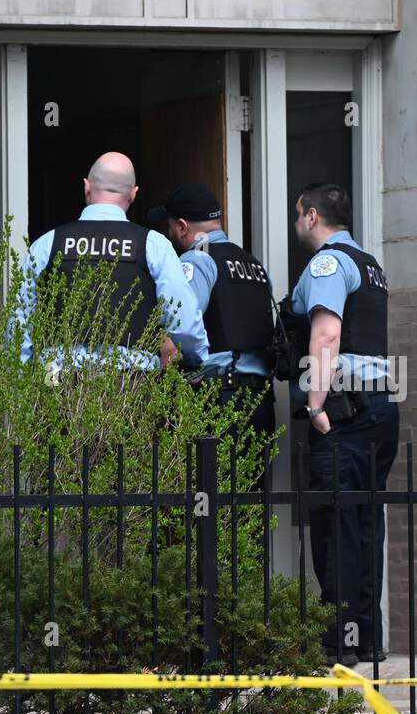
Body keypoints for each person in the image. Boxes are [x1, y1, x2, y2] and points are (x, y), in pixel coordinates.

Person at [290, 183, 398, 667]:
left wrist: (315, 406)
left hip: (345, 411)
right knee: (365, 522)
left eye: (298, 216)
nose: (296, 225)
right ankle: (367, 636)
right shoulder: (371, 265)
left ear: (312, 216)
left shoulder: (328, 263)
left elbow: (327, 332)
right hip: (379, 409)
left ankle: (340, 643)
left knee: (336, 525)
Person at [16, 152, 208, 372]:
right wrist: (199, 360)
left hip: (58, 382)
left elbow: (19, 324)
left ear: (86, 187)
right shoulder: (154, 246)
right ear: (134, 194)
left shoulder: (47, 244)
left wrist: (22, 381)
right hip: (130, 388)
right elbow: (183, 322)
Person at [149, 183, 276, 444]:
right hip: (259, 401)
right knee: (251, 484)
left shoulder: (197, 260)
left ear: (183, 227)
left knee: (206, 483)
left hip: (218, 398)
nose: (170, 233)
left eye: (170, 226)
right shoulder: (253, 264)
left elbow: (177, 333)